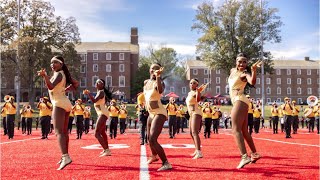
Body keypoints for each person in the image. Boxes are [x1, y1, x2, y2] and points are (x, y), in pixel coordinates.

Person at [37, 55, 78, 170]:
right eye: (51, 63)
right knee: (64, 133)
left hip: (59, 103)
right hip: (65, 103)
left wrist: (45, 76)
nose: (52, 65)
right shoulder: (62, 74)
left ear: (61, 64)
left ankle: (65, 156)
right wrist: (67, 89)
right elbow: (76, 83)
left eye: (55, 62)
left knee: (58, 133)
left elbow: (50, 87)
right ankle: (65, 155)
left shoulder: (59, 74)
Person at [228, 53, 261, 169]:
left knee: (235, 129)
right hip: (240, 101)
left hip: (239, 99)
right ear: (236, 62)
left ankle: (244, 156)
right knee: (244, 131)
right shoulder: (232, 70)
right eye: (239, 61)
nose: (241, 64)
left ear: (247, 64)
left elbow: (252, 82)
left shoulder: (244, 74)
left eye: (244, 62)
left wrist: (254, 70)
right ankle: (255, 153)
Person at [143, 63, 172, 171]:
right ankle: (154, 156)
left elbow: (160, 90)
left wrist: (158, 77)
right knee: (148, 138)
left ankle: (166, 163)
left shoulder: (159, 82)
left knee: (153, 139)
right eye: (152, 68)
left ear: (159, 71)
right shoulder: (146, 82)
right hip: (150, 113)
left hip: (159, 112)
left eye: (156, 69)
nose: (153, 70)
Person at [83, 79, 111, 157]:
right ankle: (107, 149)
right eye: (97, 82)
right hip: (102, 113)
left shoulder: (101, 92)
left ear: (102, 85)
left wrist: (88, 94)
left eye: (99, 82)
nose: (97, 83)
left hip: (103, 113)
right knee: (102, 132)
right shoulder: (100, 92)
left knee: (96, 133)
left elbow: (94, 101)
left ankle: (106, 150)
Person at [186, 78, 207, 159]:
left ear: (197, 85)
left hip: (196, 113)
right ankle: (196, 149)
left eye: (194, 83)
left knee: (195, 132)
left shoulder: (196, 92)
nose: (191, 84)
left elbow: (198, 99)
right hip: (191, 114)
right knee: (191, 133)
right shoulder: (189, 93)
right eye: (190, 83)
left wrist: (198, 91)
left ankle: (199, 152)